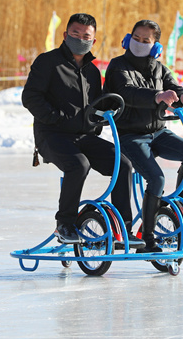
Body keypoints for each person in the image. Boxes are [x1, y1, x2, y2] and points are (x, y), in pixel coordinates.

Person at [22, 13, 137, 247]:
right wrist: (56, 118)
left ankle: (123, 229)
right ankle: (65, 223)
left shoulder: (92, 71)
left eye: (86, 36)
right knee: (78, 165)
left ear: (93, 41)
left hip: (83, 136)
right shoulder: (48, 62)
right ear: (65, 35)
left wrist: (107, 112)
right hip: (52, 135)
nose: (80, 39)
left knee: (123, 164)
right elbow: (30, 97)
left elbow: (95, 106)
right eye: (75, 34)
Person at [104, 19, 183, 254]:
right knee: (157, 180)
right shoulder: (118, 66)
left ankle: (178, 206)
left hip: (158, 132)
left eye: (145, 40)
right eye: (136, 38)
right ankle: (147, 237)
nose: (139, 43)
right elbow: (127, 92)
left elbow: (173, 86)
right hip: (130, 136)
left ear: (155, 46)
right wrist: (157, 96)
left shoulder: (159, 68)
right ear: (128, 39)